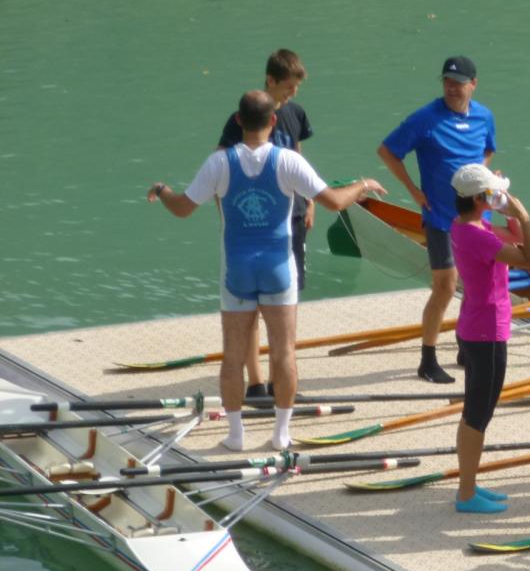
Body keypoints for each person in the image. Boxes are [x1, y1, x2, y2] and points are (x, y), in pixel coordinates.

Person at [149, 90, 385, 451]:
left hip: (237, 272)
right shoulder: (289, 161)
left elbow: (182, 208)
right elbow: (336, 202)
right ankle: (280, 434)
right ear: (274, 121)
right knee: (283, 353)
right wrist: (364, 184)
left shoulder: (219, 163)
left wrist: (163, 191)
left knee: (233, 355)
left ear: (239, 121)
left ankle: (235, 435)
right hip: (279, 269)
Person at [377, 55, 496, 384]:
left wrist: (483, 178)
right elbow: (387, 151)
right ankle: (427, 359)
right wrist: (413, 191)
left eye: (458, 83)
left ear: (473, 84)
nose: (451, 88)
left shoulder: (485, 117)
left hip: (474, 216)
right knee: (445, 287)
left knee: (474, 285)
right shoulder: (425, 119)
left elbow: (487, 150)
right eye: (446, 81)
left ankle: (465, 346)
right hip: (440, 218)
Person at [218, 48, 315, 400]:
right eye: (287, 88)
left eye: (295, 89)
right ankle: (255, 382)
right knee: (251, 307)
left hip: (291, 219)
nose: (292, 95)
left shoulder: (294, 114)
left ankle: (281, 381)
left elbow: (298, 157)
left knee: (285, 306)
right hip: (253, 223)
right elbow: (222, 166)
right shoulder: (245, 118)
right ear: (270, 81)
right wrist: (227, 217)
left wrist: (310, 201)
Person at [447, 165, 530, 514]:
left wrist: (504, 207)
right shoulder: (479, 236)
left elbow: (511, 237)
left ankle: (468, 484)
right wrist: (526, 218)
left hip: (476, 327)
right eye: (490, 194)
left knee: (474, 412)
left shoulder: (468, 226)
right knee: (478, 415)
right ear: (477, 199)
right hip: (486, 333)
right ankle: (466, 494)